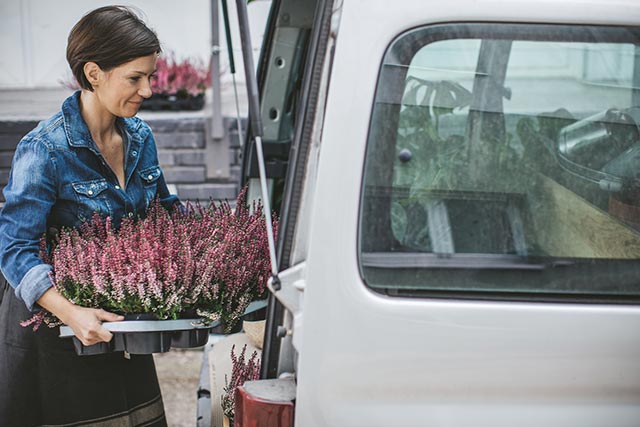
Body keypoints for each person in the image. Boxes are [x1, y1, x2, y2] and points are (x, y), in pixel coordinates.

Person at [0, 6, 179, 426]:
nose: (148, 90)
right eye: (135, 78)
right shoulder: (44, 149)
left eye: (150, 76)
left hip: (120, 323)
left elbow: (166, 216)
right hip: (56, 329)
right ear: (94, 73)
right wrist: (71, 313)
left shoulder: (139, 137)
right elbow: (13, 248)